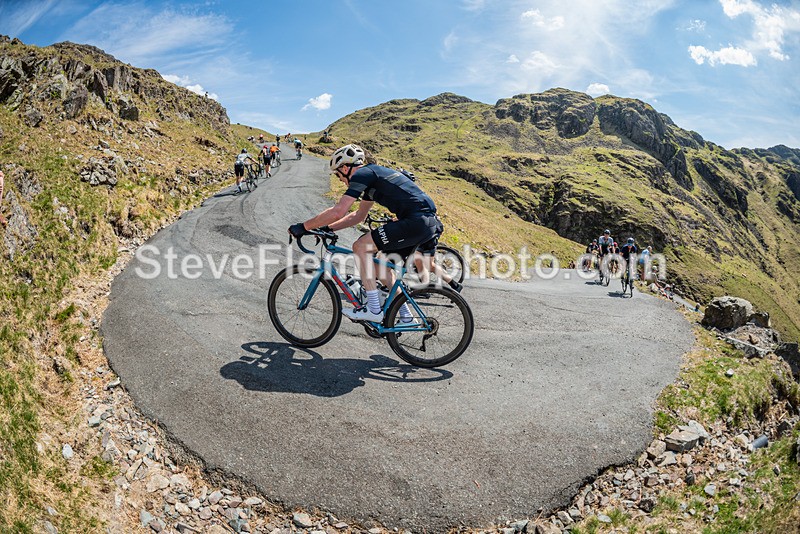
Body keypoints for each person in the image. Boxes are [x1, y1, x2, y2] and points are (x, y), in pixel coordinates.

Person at [288, 144, 443, 322]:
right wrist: (327, 228)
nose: (340, 179)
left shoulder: (363, 174)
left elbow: (339, 211)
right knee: (380, 267)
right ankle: (406, 316)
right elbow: (358, 216)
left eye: (339, 175)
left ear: (345, 168)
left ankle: (374, 310)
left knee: (360, 247)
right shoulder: (372, 178)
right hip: (426, 222)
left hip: (416, 221)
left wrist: (304, 226)